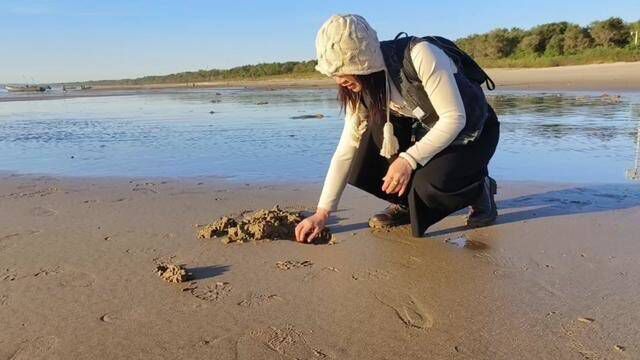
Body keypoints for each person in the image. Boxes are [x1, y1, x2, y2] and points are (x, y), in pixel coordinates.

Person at [295, 14, 500, 243]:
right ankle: (406, 204)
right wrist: (323, 212)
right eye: (333, 71)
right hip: (427, 131)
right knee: (361, 160)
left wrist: (408, 159)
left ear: (364, 61)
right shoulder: (361, 89)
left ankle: (479, 189)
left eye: (343, 68)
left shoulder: (420, 54)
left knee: (429, 184)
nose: (338, 80)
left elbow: (454, 119)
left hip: (473, 134)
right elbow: (346, 149)